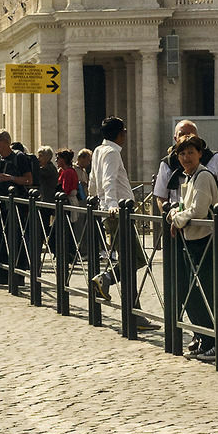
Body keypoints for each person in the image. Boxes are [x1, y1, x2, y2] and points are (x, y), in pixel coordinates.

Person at [167, 135, 218, 358]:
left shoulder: (202, 176)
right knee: (189, 294)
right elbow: (183, 207)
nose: (186, 157)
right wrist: (175, 214)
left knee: (200, 294)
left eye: (190, 152)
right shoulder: (187, 178)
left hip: (205, 241)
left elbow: (198, 211)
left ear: (200, 154)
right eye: (182, 153)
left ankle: (213, 341)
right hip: (191, 241)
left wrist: (177, 219)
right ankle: (203, 337)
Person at [87, 118, 132, 300]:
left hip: (110, 209)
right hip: (119, 212)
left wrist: (92, 197)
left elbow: (93, 179)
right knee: (133, 257)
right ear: (120, 133)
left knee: (127, 256)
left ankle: (133, 310)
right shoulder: (112, 152)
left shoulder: (99, 150)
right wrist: (113, 204)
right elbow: (108, 179)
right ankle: (105, 279)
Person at [0, 131, 35, 281]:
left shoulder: (19, 157)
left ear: (6, 142)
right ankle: (1, 274)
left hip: (18, 204)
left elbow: (29, 180)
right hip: (2, 204)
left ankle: (17, 275)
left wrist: (10, 178)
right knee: (1, 237)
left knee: (16, 238)